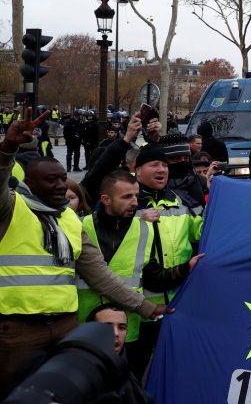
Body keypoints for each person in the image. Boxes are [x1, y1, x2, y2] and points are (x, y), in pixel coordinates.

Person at [0, 110, 166, 397]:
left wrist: (148, 308)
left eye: (63, 179)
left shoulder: (71, 221)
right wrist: (8, 149)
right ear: (29, 183)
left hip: (66, 326)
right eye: (50, 180)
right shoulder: (10, 208)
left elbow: (102, 276)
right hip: (18, 332)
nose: (61, 186)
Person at [79, 170, 203, 375]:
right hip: (86, 326)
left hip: (127, 330)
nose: (135, 202)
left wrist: (184, 268)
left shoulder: (144, 229)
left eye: (136, 195)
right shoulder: (80, 226)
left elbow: (151, 274)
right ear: (105, 199)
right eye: (127, 196)